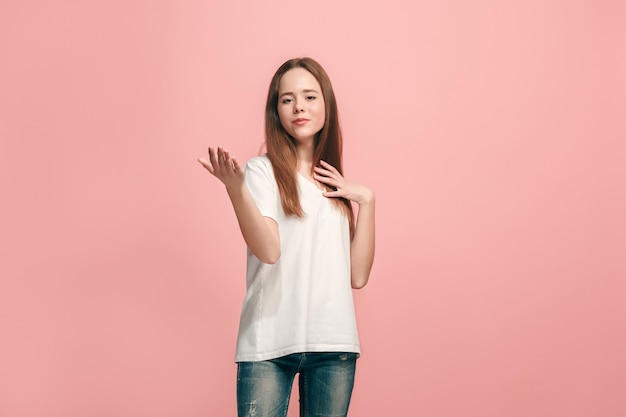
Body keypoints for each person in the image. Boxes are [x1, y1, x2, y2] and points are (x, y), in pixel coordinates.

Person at [198, 57, 375, 417]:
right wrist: (236, 189)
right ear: (275, 109)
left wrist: (368, 202)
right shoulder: (262, 171)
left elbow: (356, 276)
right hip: (269, 343)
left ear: (327, 104)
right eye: (287, 99)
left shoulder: (335, 183)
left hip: (334, 342)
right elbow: (269, 249)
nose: (299, 107)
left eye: (310, 97)